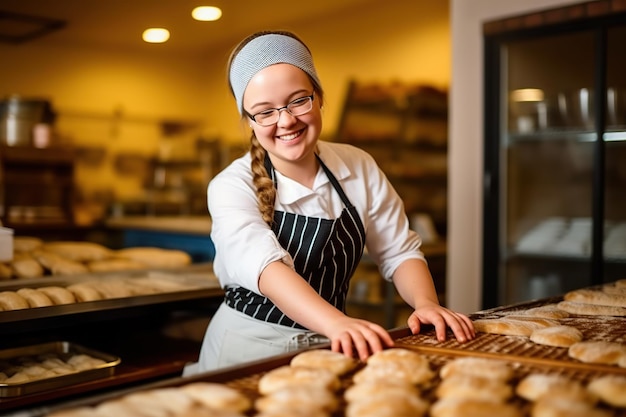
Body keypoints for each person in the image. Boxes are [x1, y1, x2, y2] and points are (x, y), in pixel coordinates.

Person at [194, 30, 475, 372]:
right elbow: (265, 268)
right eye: (264, 112)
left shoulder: (358, 165)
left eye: (299, 100)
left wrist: (426, 303)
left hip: (331, 343)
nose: (286, 121)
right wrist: (337, 323)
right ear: (250, 123)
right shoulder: (231, 185)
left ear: (320, 96)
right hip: (248, 350)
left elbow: (399, 250)